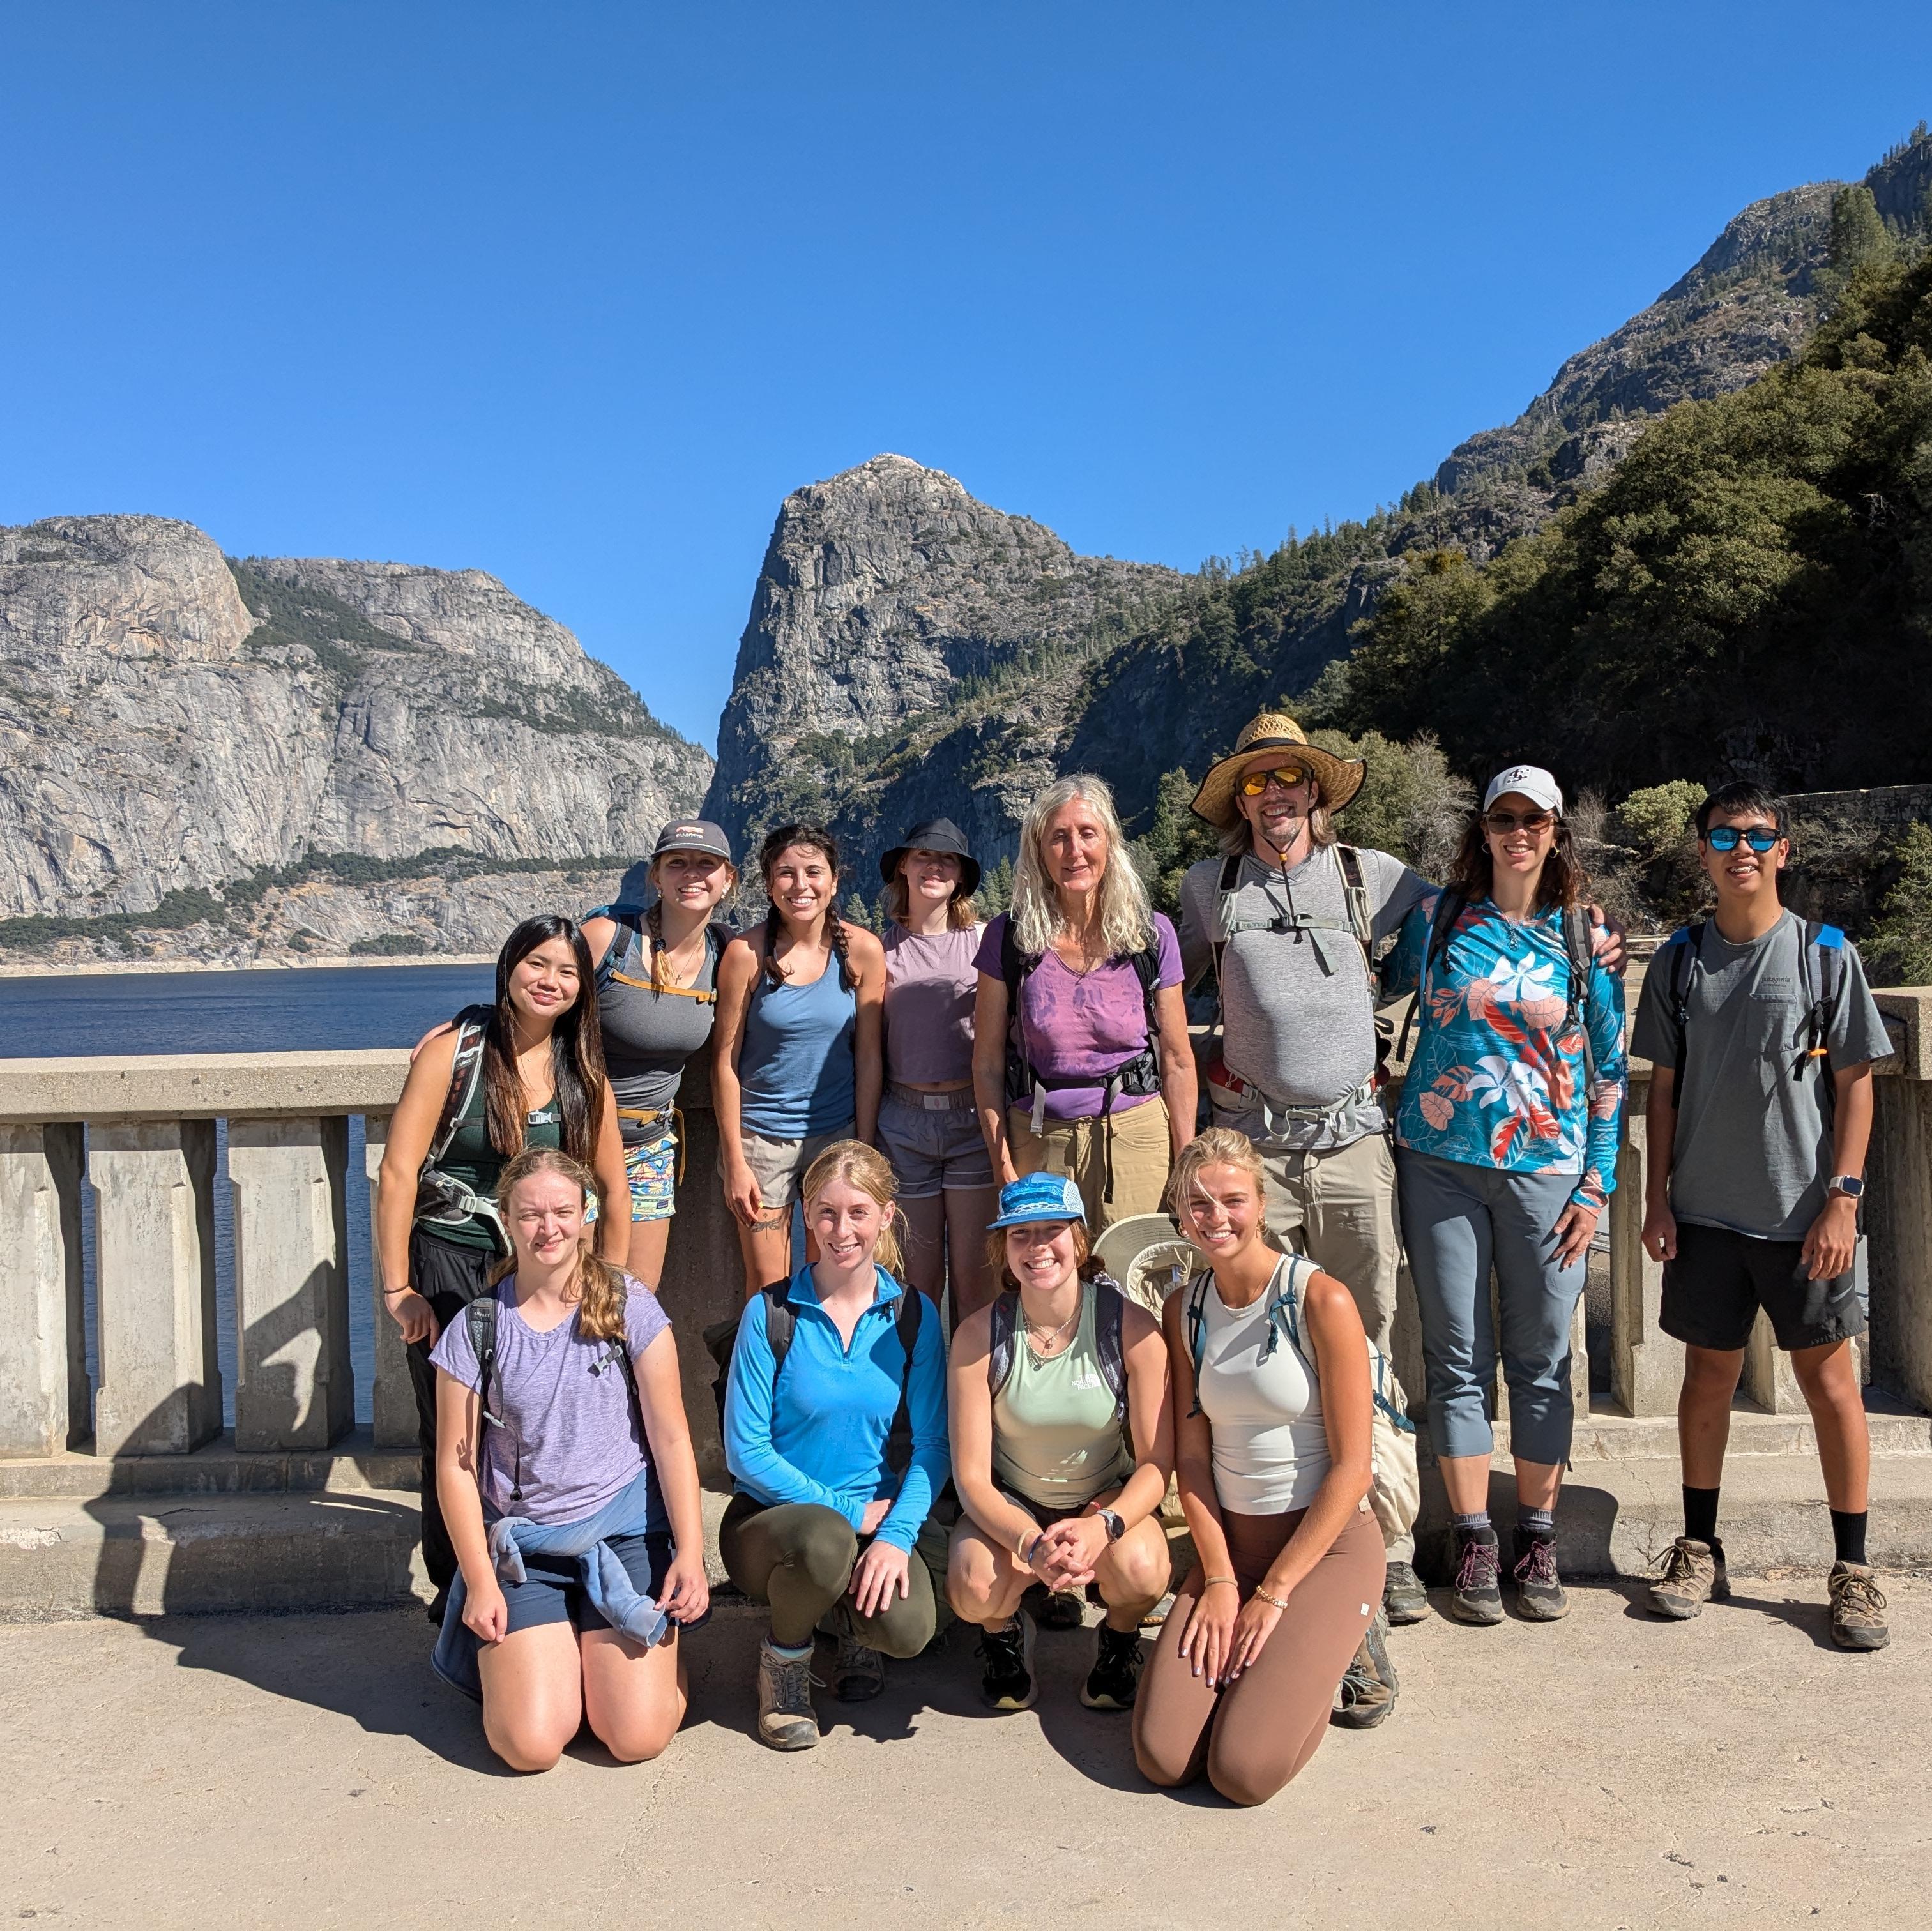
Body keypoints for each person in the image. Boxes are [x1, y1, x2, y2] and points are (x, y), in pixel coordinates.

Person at [1180, 708, 1429, 1630]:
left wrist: (1582, 927)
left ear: (1315, 790)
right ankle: (1284, 1537)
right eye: (1254, 783)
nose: (1273, 794)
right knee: (1261, 1342)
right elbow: (1172, 977)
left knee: (1369, 1335)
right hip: (1258, 1150)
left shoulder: (1372, 876)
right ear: (1237, 802)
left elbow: (1464, 925)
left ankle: (1387, 1535)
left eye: (1288, 778)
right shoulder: (1211, 887)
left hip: (1357, 1139)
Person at [1632, 782, 1892, 1649]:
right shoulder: (1678, 962)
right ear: (1702, 851)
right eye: (1722, 835)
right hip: (1705, 1215)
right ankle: (1699, 1549)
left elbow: (1856, 1086)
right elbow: (1662, 1092)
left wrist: (1842, 1201)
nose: (1739, 848)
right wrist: (1658, 1199)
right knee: (1705, 1380)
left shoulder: (1824, 955)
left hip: (1801, 1214)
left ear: (1782, 850)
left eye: (1756, 834)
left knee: (1829, 1387)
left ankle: (1853, 1570)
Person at [1383, 766, 1626, 1626]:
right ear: (1481, 830)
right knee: (1455, 1359)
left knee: (1540, 1361)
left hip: (1546, 1170)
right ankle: (1474, 1538)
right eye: (1502, 817)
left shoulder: (1584, 936)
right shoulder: (1439, 919)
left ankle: (1538, 1535)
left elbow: (1607, 1072)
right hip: (1438, 1163)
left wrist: (1596, 1185)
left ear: (1558, 831)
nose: (1517, 831)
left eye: (1534, 819)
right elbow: (1362, 995)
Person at [378, 914, 630, 1620]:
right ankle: (456, 1583)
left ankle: (529, 1568)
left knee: (533, 1422)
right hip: (450, 1261)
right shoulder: (453, 1056)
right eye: (537, 965)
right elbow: (398, 1173)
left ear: (584, 990)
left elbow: (612, 1192)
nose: (550, 981)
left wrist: (607, 1288)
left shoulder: (583, 1077)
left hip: (546, 1276)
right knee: (453, 1430)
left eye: (568, 972)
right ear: (508, 968)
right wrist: (398, 1289)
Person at [428, 1146, 710, 1772]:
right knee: (530, 1746)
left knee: (634, 1737)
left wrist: (690, 1552)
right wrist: (477, 1580)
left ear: (587, 1213)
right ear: (505, 1218)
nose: (548, 1227)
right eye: (530, 1214)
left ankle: (657, 1665)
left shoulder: (628, 1305)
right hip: (527, 1549)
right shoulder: (477, 1328)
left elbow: (670, 1437)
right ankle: (557, 1661)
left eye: (562, 1210)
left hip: (625, 1533)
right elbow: (456, 1465)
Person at [1133, 1130, 1385, 1806]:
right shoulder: (1182, 1309)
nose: (1216, 1218)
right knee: (1162, 1759)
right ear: (1180, 1214)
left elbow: (1353, 1469)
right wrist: (1219, 1580)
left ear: (1263, 1202)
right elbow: (1191, 1458)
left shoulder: (1319, 1299)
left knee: (1240, 1774)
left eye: (1232, 1201)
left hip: (1324, 1551)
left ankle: (1344, 1638)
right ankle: (1267, 1668)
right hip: (1234, 1552)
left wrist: (1272, 1594)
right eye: (1198, 1204)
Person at [719, 1140, 950, 1750]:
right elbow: (747, 1452)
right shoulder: (770, 1313)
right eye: (825, 1212)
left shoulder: (914, 1316)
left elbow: (932, 1445)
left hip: (877, 1520)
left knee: (909, 1630)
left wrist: (896, 1536)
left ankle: (843, 1622)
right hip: (774, 1525)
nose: (840, 1229)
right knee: (825, 1541)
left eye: (856, 1213)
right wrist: (851, 1513)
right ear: (803, 1214)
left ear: (886, 1217)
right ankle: (785, 1662)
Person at [946, 1172, 1173, 1715]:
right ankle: (1003, 1636)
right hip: (1015, 1502)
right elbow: (972, 1477)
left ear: (1078, 1240)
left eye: (1052, 1230)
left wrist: (1103, 1526)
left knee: (1144, 1571)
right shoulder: (979, 1335)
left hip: (1101, 1499)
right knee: (973, 1589)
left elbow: (1156, 1463)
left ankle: (1118, 1641)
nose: (1037, 1246)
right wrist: (1029, 1543)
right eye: (1020, 1234)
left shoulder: (1131, 1328)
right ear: (1002, 1248)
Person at [971, 774, 1197, 1233]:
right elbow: (988, 1063)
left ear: (1109, 843)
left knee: (1140, 1281)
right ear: (1039, 852)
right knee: (1049, 1288)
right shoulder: (1009, 938)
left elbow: (1176, 1059)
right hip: (1040, 1139)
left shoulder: (1150, 935)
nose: (1074, 851)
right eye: (1058, 837)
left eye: (1087, 834)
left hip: (1138, 1138)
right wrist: (1002, 1167)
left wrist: (1184, 1159)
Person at [712, 824, 885, 1299]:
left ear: (833, 881)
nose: (800, 885)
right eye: (785, 874)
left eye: (813, 872)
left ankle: (816, 1373)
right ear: (769, 885)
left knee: (831, 1279)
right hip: (760, 1143)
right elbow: (724, 1063)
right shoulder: (745, 955)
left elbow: (869, 1058)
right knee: (765, 1287)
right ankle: (764, 1372)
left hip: (834, 1136)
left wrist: (862, 1147)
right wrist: (735, 1159)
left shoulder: (862, 952)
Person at [579, 820, 738, 1287]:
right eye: (677, 863)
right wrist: (471, 1023)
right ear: (656, 876)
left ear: (727, 879)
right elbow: (535, 999)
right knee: (570, 1299)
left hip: (650, 1148)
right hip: (577, 1145)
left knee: (635, 1303)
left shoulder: (724, 953)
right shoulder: (608, 937)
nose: (691, 874)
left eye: (706, 864)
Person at [876, 817, 998, 1322]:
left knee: (977, 1285)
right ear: (903, 866)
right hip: (903, 1126)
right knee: (915, 1287)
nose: (933, 866)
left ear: (960, 877)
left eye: (946, 859)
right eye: (923, 855)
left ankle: (973, 1399)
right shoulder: (874, 948)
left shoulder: (986, 942)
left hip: (972, 1121)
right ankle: (920, 1399)